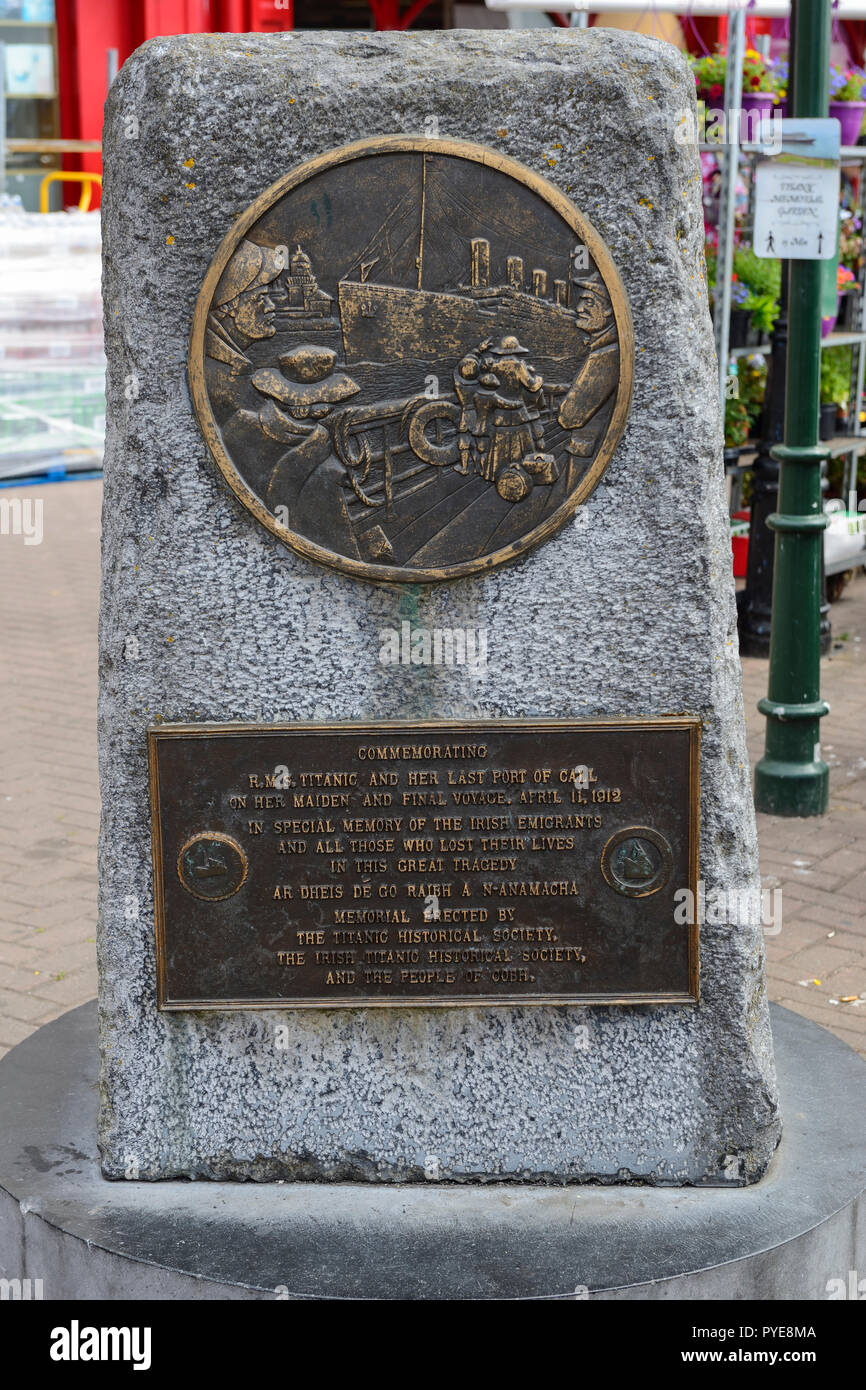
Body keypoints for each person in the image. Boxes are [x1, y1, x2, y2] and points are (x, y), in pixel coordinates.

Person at [205, 239, 283, 424]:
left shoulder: (230, 363)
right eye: (261, 298)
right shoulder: (220, 378)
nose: (271, 307)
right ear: (231, 305)